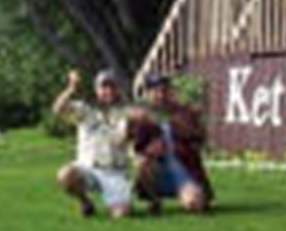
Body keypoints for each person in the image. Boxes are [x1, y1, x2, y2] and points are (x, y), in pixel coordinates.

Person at [53, 69, 134, 219]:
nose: (108, 91)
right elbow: (58, 109)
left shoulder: (125, 113)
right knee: (65, 175)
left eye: (112, 87)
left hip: (114, 171)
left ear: (118, 90)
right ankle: (85, 201)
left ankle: (119, 200)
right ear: (97, 90)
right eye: (104, 87)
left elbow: (124, 139)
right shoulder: (85, 110)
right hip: (88, 168)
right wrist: (71, 89)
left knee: (122, 215)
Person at [132, 74, 214, 216]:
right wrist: (150, 150)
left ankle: (193, 193)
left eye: (164, 90)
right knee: (143, 165)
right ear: (149, 94)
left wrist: (188, 126)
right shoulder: (143, 116)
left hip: (183, 167)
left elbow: (199, 139)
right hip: (158, 167)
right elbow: (137, 148)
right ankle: (153, 199)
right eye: (155, 91)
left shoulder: (185, 111)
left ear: (170, 92)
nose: (160, 95)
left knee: (195, 204)